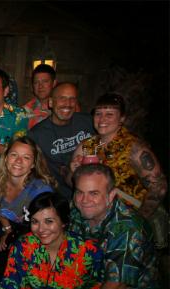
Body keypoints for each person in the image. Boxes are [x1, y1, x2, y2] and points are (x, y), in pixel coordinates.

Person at [69, 93, 167, 223]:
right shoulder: (86, 146)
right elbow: (72, 183)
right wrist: (73, 172)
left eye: (109, 114)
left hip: (125, 218)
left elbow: (159, 186)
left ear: (122, 118)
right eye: (98, 114)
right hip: (92, 215)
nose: (102, 119)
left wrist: (139, 219)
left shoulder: (133, 148)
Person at [0, 137, 55, 277]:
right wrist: (7, 229)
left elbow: (46, 232)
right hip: (6, 226)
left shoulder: (40, 191)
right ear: (5, 158)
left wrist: (12, 237)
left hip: (33, 235)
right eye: (14, 155)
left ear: (33, 164)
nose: (18, 161)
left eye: (26, 157)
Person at [28, 82, 93, 199]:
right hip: (61, 197)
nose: (68, 104)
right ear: (51, 102)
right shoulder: (37, 134)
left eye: (72, 99)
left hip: (94, 190)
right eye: (62, 98)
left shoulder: (89, 122)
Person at [23, 64, 56, 129]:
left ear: (54, 83)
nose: (40, 86)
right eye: (36, 82)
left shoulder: (62, 108)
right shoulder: (25, 111)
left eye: (45, 81)